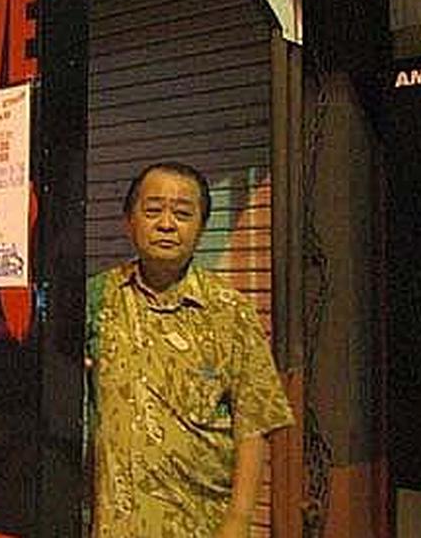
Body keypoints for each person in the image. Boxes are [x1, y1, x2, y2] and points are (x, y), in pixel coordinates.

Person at [85, 161, 295, 538]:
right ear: (129, 222)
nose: (167, 224)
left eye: (183, 214)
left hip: (202, 525)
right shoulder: (95, 300)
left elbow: (255, 422)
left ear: (199, 229)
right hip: (113, 526)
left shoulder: (229, 310)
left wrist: (239, 519)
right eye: (153, 211)